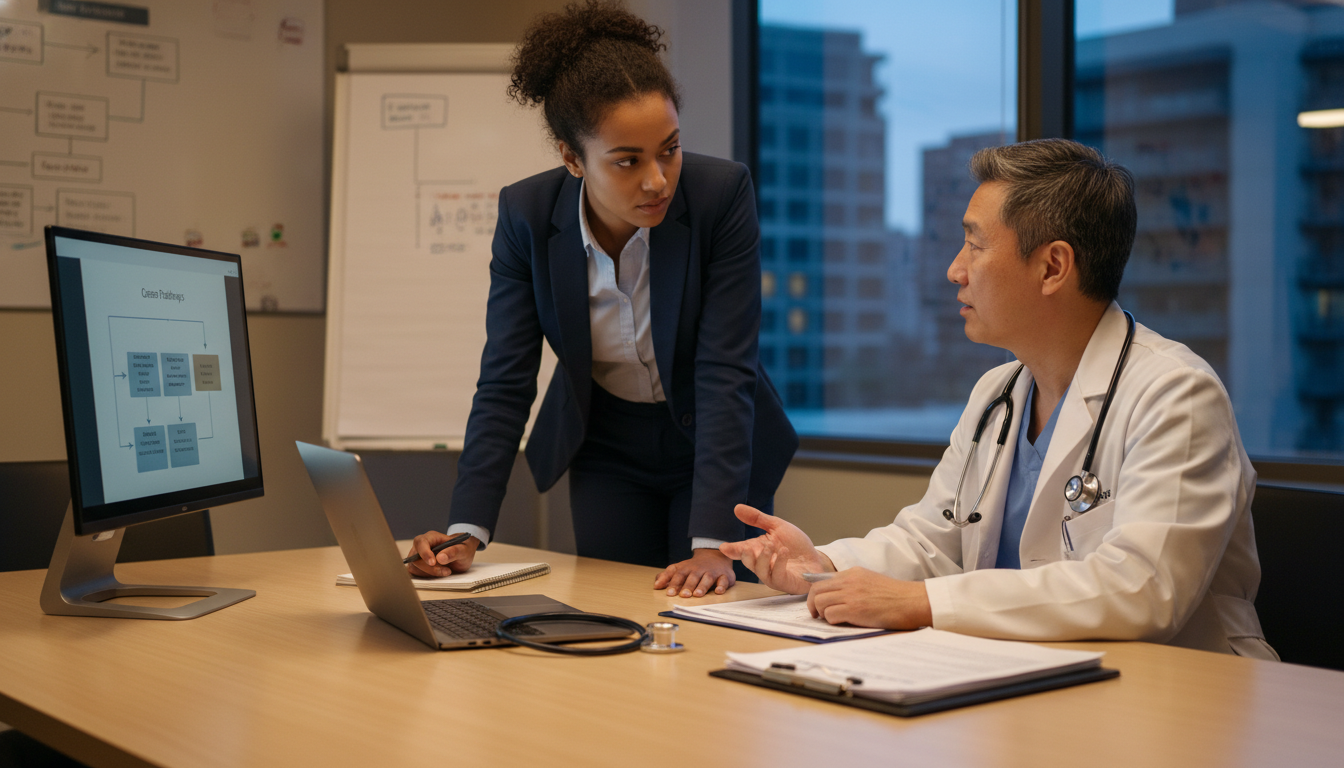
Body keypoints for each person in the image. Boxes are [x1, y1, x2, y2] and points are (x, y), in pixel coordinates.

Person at [721, 138, 1277, 659]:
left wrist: (923, 603)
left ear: (1052, 267)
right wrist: (821, 564)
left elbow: (1143, 589)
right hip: (1032, 672)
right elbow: (934, 540)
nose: (954, 270)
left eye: (974, 244)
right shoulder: (999, 392)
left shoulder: (1176, 395)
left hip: (1182, 689)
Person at [406, 0, 797, 599]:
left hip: (716, 439)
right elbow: (506, 379)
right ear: (572, 158)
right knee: (612, 606)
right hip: (606, 442)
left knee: (714, 608)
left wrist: (713, 542)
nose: (657, 179)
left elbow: (725, 369)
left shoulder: (720, 196)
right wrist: (467, 530)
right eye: (627, 161)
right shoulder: (527, 216)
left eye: (669, 149)